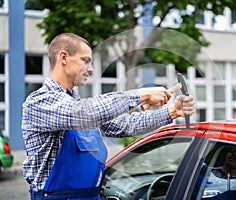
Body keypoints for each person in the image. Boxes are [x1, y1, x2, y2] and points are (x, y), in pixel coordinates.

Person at [21, 33, 195, 200]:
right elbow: (84, 113)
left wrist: (171, 112)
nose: (90, 69)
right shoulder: (40, 103)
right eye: (85, 61)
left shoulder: (79, 103)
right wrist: (141, 94)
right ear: (64, 58)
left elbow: (126, 125)